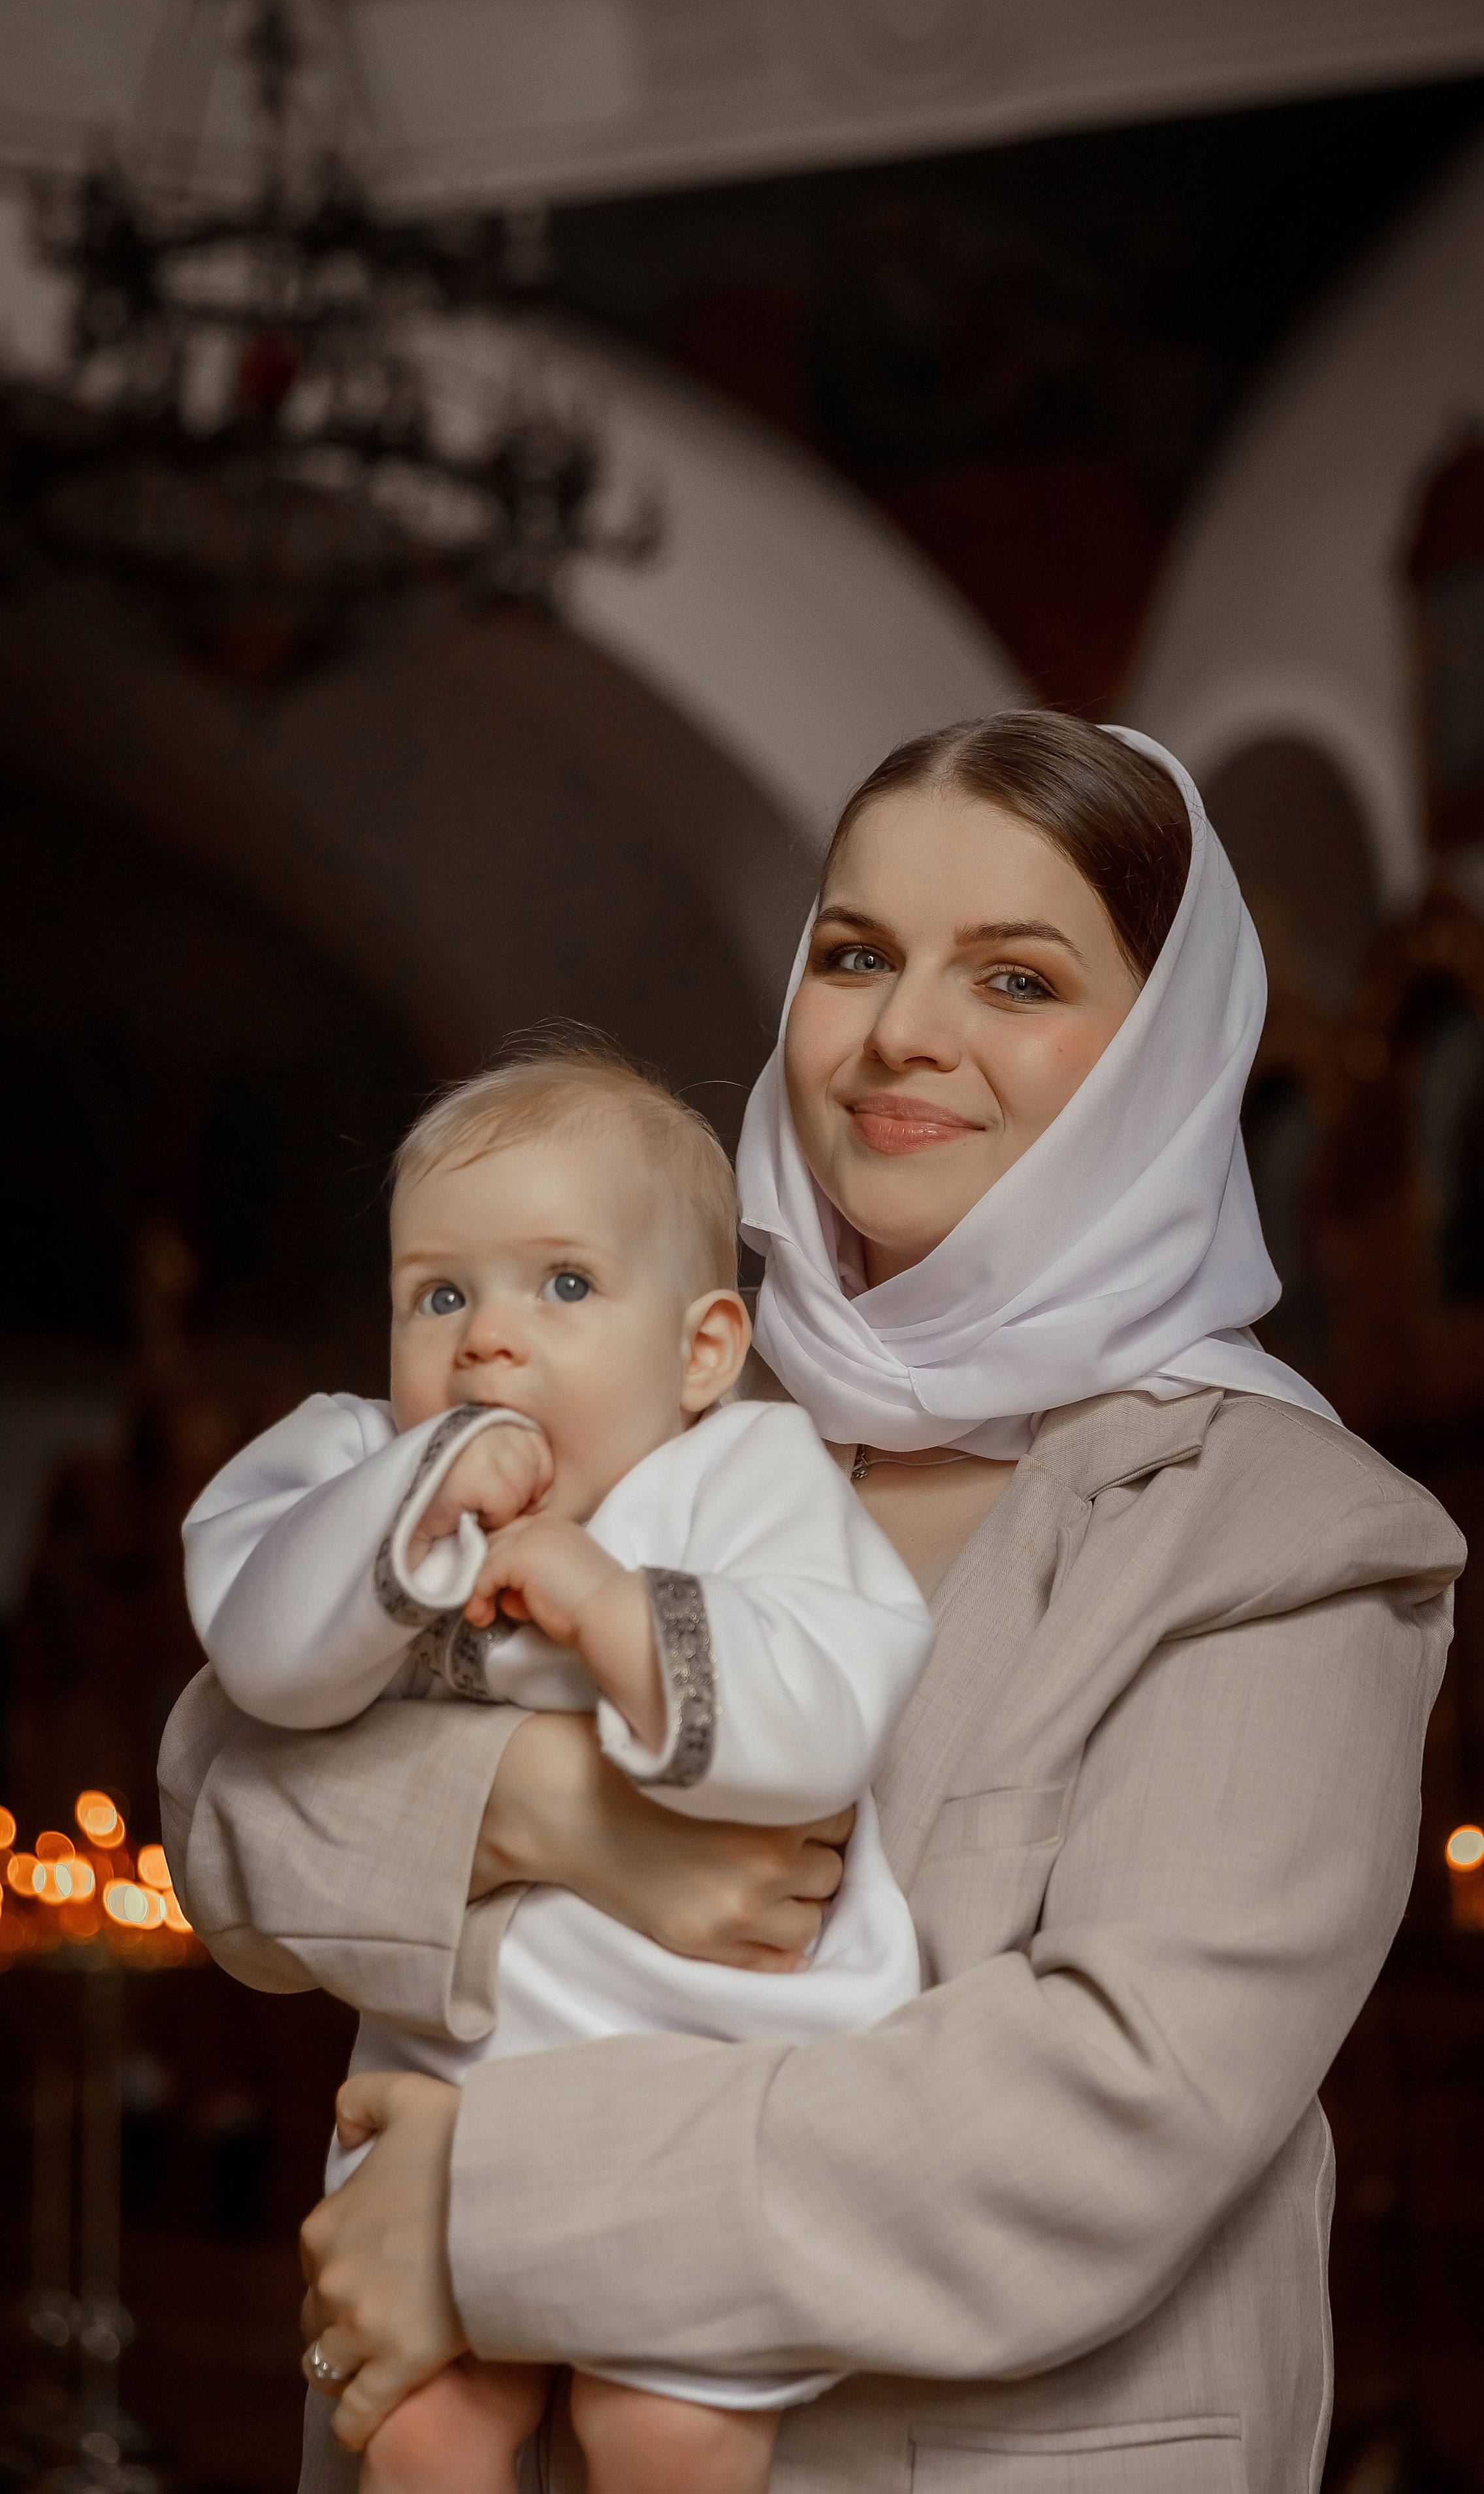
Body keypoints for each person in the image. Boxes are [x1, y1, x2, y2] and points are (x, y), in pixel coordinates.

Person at [161, 713, 1466, 2494]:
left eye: (1016, 977)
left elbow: (1106, 2112)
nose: (903, 1032)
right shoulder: (667, 1398)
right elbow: (219, 1794)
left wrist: (485, 2207)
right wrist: (549, 1821)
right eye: (857, 955)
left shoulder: (1280, 1535)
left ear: (1165, 1052)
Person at [179, 1044, 932, 2494]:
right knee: (419, 2426)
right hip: (457, 2067)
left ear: (702, 1350)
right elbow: (258, 1665)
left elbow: (829, 1709)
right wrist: (409, 1504)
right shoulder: (357, 1475)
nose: (486, 1342)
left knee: (671, 2431)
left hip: (710, 2077)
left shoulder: (746, 1477)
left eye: (564, 1286)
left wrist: (612, 1611)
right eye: (438, 1294)